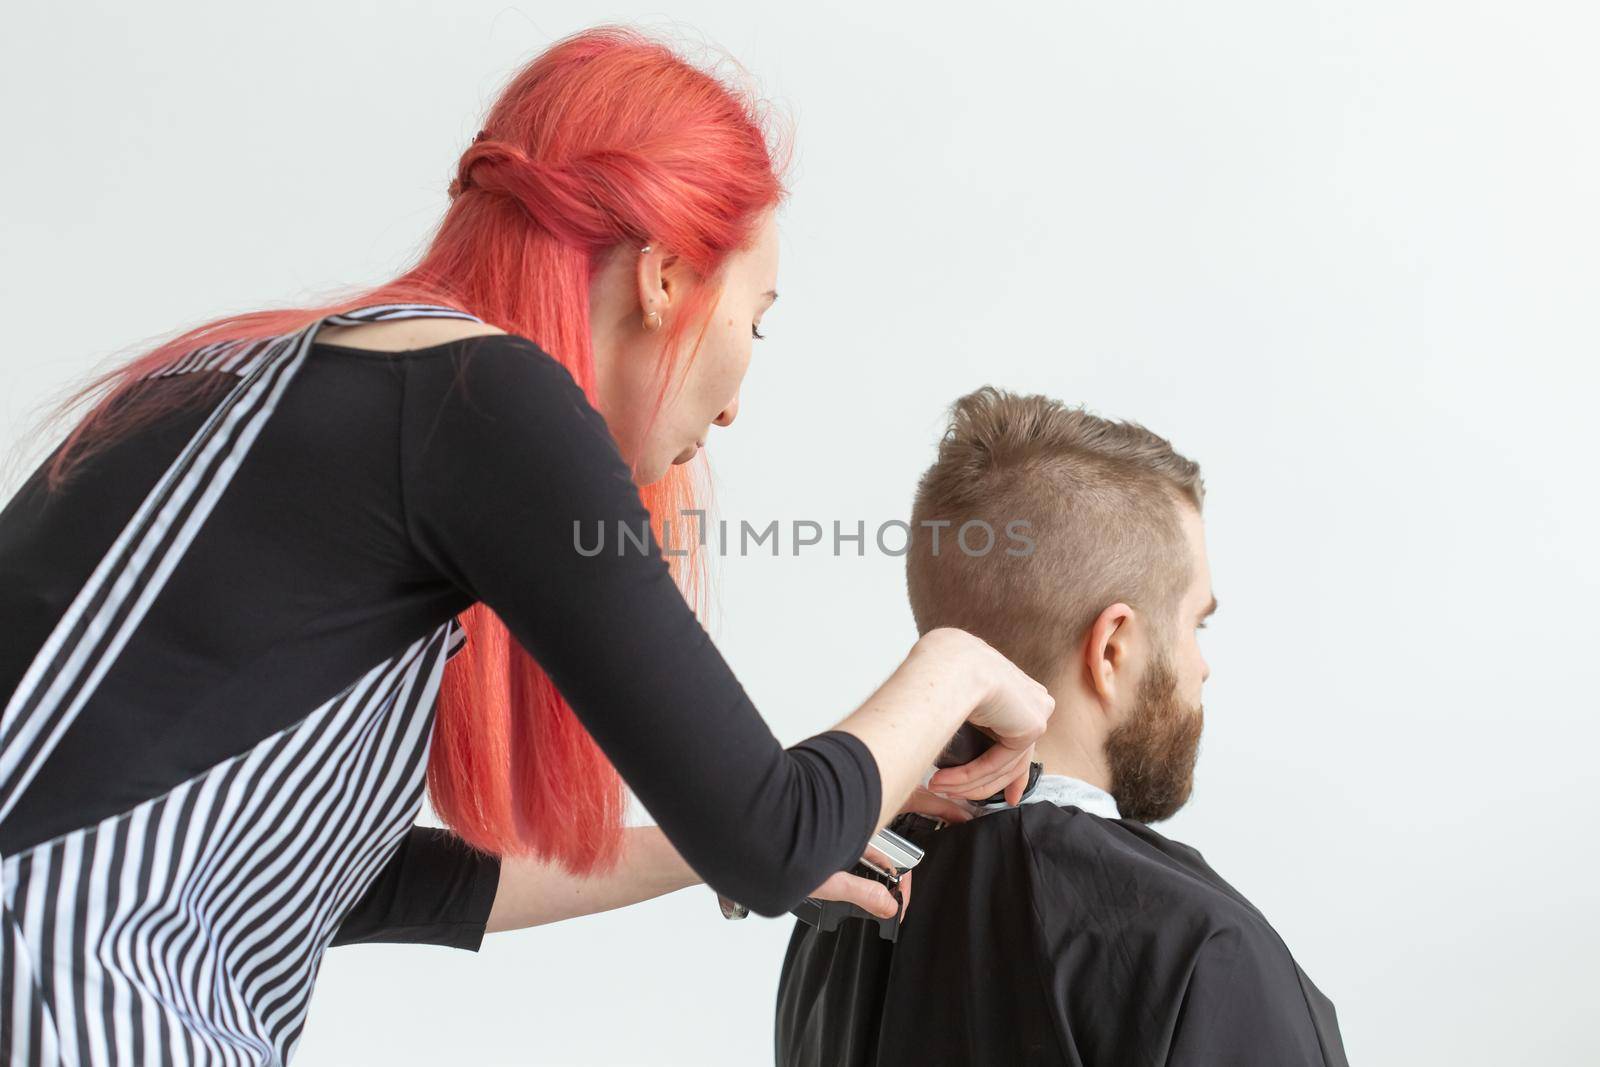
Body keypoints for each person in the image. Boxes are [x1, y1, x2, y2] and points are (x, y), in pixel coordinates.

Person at [0, 27, 1054, 1064]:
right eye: (757, 320)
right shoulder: (486, 396)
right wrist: (953, 662)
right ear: (663, 277)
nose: (735, 407)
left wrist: (708, 847)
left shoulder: (255, 376)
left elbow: (314, 877)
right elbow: (769, 839)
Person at [776, 387, 1350, 1066]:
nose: (1202, 666)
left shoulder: (836, 916)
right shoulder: (1203, 952)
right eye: (1196, 623)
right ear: (1113, 649)